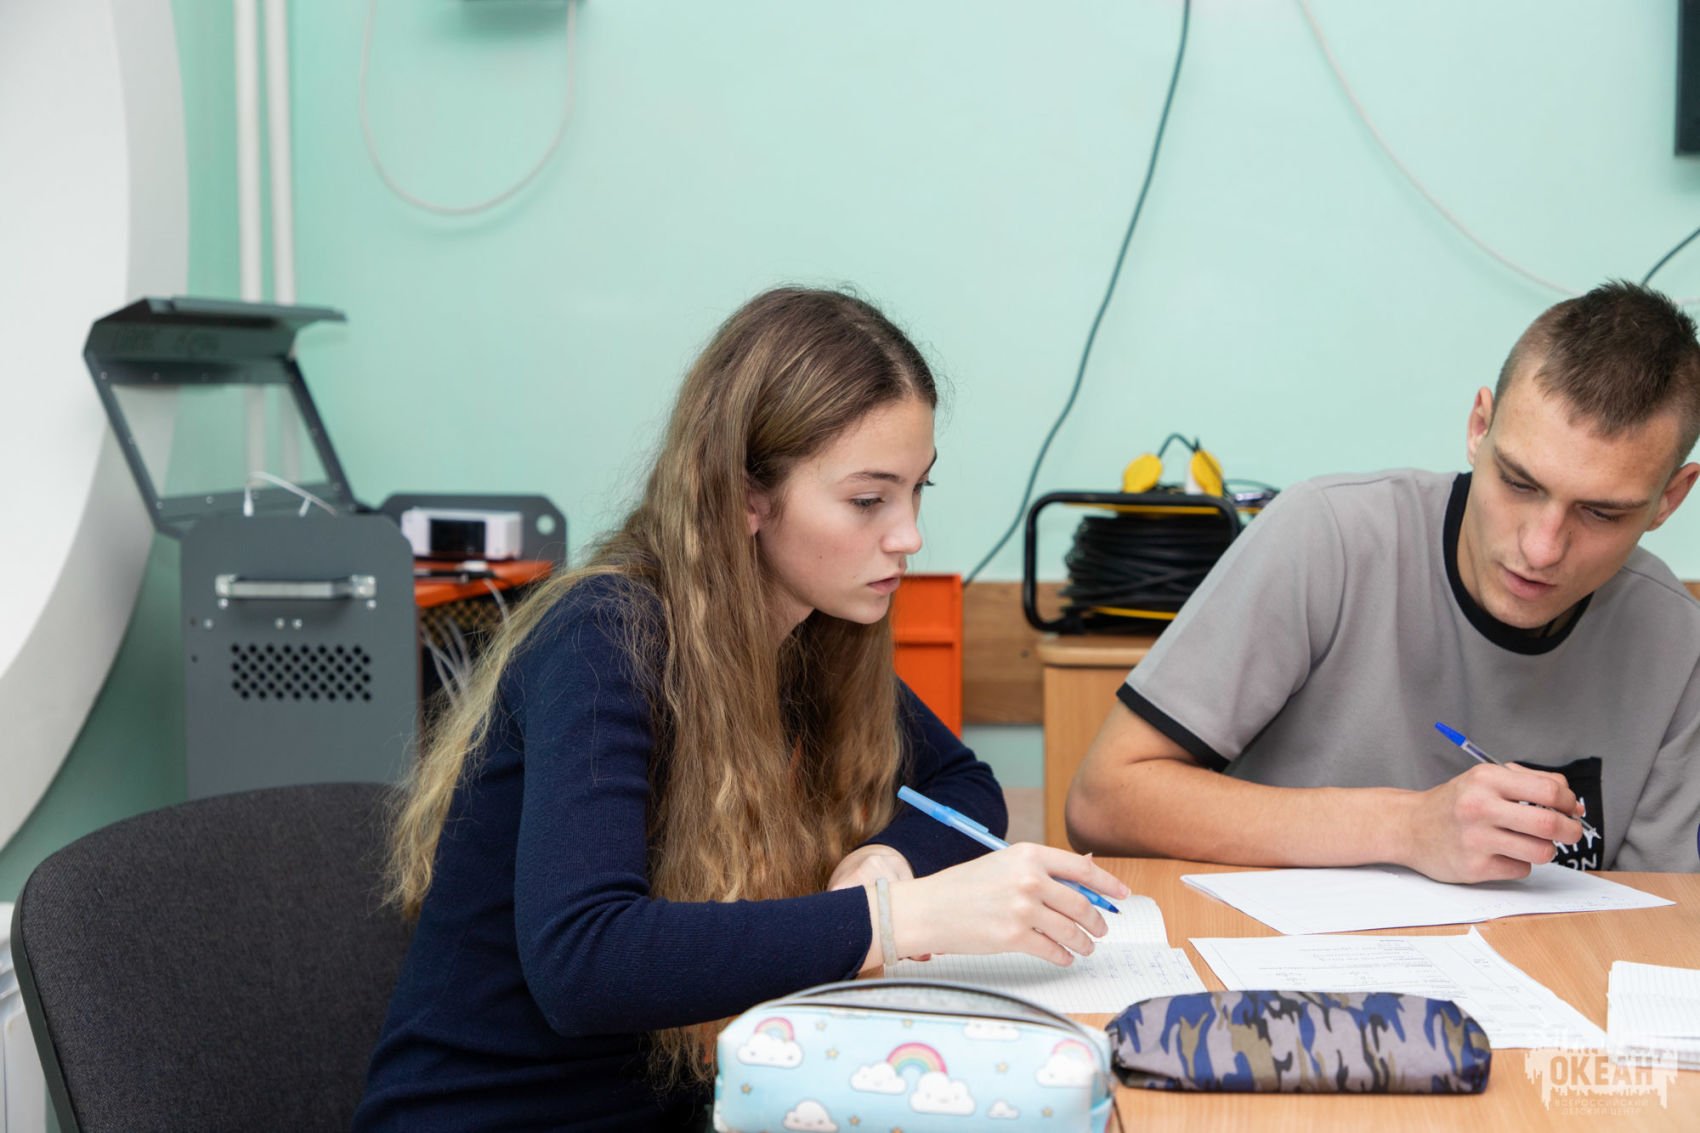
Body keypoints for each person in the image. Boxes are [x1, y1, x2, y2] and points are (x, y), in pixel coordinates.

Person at [355, 287, 1129, 1131]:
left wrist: (885, 862)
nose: (908, 534)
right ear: (745, 497)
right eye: (868, 500)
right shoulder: (602, 638)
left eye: (917, 490)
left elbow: (959, 783)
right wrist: (894, 919)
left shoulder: (808, 633)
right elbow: (583, 960)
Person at [1067, 280, 1700, 882]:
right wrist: (1407, 827)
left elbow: (1664, 916)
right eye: (1518, 482)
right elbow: (1104, 801)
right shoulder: (1326, 537)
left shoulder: (1675, 639)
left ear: (1669, 499)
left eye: (1601, 513)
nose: (1541, 548)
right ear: (1478, 428)